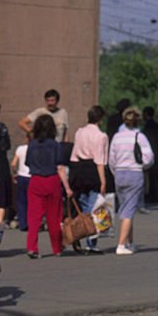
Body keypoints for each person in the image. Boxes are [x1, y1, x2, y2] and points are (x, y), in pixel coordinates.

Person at [108, 105, 153, 255]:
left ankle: (129, 242)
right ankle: (121, 245)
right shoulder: (140, 137)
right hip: (134, 173)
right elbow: (149, 158)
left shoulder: (116, 137)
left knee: (126, 208)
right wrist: (142, 166)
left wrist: (115, 171)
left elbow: (111, 159)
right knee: (129, 210)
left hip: (119, 174)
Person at [26, 114, 73, 258]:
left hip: (35, 180)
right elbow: (60, 168)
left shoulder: (32, 145)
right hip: (52, 180)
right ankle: (57, 248)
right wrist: (67, 187)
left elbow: (28, 163)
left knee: (34, 217)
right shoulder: (55, 145)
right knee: (54, 216)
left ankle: (32, 247)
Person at [69, 105, 108, 254]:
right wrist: (103, 181)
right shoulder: (101, 136)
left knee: (83, 206)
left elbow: (74, 154)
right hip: (92, 170)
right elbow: (100, 160)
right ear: (100, 119)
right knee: (94, 207)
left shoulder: (79, 132)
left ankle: (81, 233)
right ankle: (91, 242)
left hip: (79, 169)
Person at [141, 106, 158, 203]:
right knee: (152, 177)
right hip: (156, 152)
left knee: (148, 177)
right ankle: (152, 194)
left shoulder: (148, 126)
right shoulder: (156, 125)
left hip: (149, 153)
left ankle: (149, 194)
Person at [11, 135, 31, 231]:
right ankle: (32, 222)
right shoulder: (36, 149)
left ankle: (23, 223)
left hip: (22, 176)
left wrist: (15, 173)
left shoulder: (20, 149)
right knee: (32, 201)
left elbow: (13, 164)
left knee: (22, 201)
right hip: (32, 177)